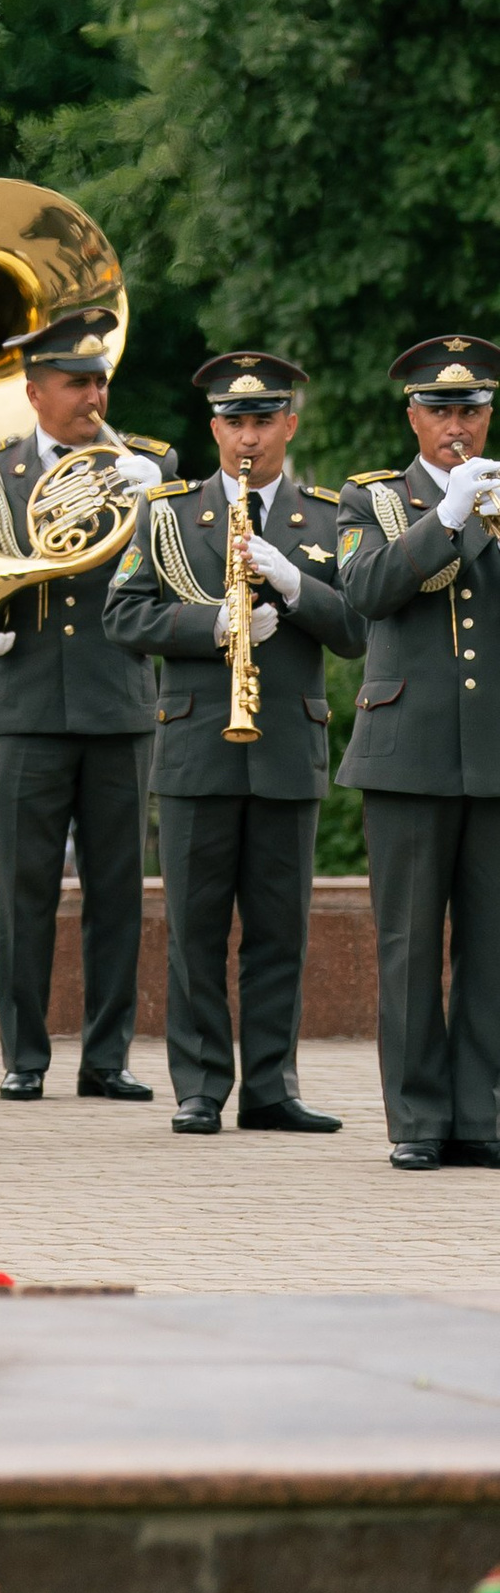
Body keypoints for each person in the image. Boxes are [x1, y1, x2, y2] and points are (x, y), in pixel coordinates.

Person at [104, 351, 358, 1138]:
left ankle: (272, 1087)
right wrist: (209, 624)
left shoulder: (328, 515)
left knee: (281, 932)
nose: (249, 436)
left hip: (285, 745)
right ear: (214, 428)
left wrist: (294, 585)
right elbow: (123, 617)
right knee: (197, 928)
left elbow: (354, 628)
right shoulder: (170, 514)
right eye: (234, 422)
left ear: (289, 422)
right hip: (195, 749)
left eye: (263, 420)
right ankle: (202, 1087)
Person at [0, 307, 166, 1105]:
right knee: (24, 890)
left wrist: (160, 502)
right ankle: (24, 1055)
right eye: (75, 384)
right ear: (33, 391)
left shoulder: (147, 463)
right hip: (24, 701)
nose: (93, 398)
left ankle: (107, 1057)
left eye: (99, 382)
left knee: (118, 890)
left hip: (117, 697)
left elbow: (167, 573)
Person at [334, 333, 500, 1173]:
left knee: (491, 942)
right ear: (413, 414)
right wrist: (449, 517)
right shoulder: (373, 501)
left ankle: (481, 1115)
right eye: (440, 409)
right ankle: (418, 1117)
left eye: (471, 408)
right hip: (405, 750)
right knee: (406, 943)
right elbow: (364, 596)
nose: (457, 425)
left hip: (494, 751)